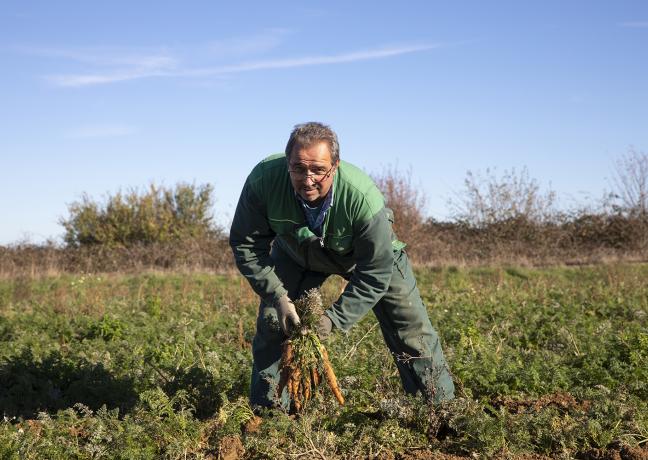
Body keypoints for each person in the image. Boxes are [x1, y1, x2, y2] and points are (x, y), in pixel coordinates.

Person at [229, 121, 454, 410]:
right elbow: (246, 245)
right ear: (288, 164)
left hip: (366, 257)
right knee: (275, 322)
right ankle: (269, 414)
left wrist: (333, 319)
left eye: (318, 170)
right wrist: (279, 297)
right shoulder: (264, 181)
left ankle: (439, 411)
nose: (308, 180)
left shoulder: (361, 198)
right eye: (298, 168)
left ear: (335, 166)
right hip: (297, 251)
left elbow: (375, 272)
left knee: (410, 331)